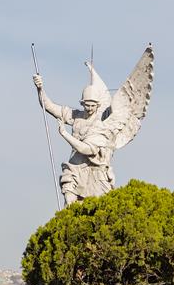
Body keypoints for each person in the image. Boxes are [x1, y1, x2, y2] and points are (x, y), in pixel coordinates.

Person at [32, 73, 115, 206]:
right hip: (74, 168)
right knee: (69, 204)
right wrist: (40, 88)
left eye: (92, 106)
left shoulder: (100, 125)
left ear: (98, 105)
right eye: (86, 105)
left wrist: (64, 134)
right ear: (82, 103)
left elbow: (86, 149)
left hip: (95, 174)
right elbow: (49, 106)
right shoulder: (76, 116)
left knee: (97, 208)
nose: (89, 108)